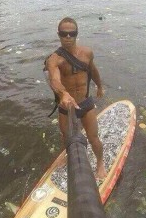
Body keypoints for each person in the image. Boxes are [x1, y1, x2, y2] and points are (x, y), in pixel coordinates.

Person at [45, 17, 107, 180]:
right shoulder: (54, 59)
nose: (68, 37)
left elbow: (93, 71)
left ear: (77, 34)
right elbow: (54, 79)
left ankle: (100, 163)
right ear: (58, 35)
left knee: (93, 137)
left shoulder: (87, 53)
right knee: (67, 137)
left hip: (85, 104)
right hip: (66, 107)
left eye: (72, 34)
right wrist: (63, 94)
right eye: (64, 34)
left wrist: (99, 86)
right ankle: (68, 154)